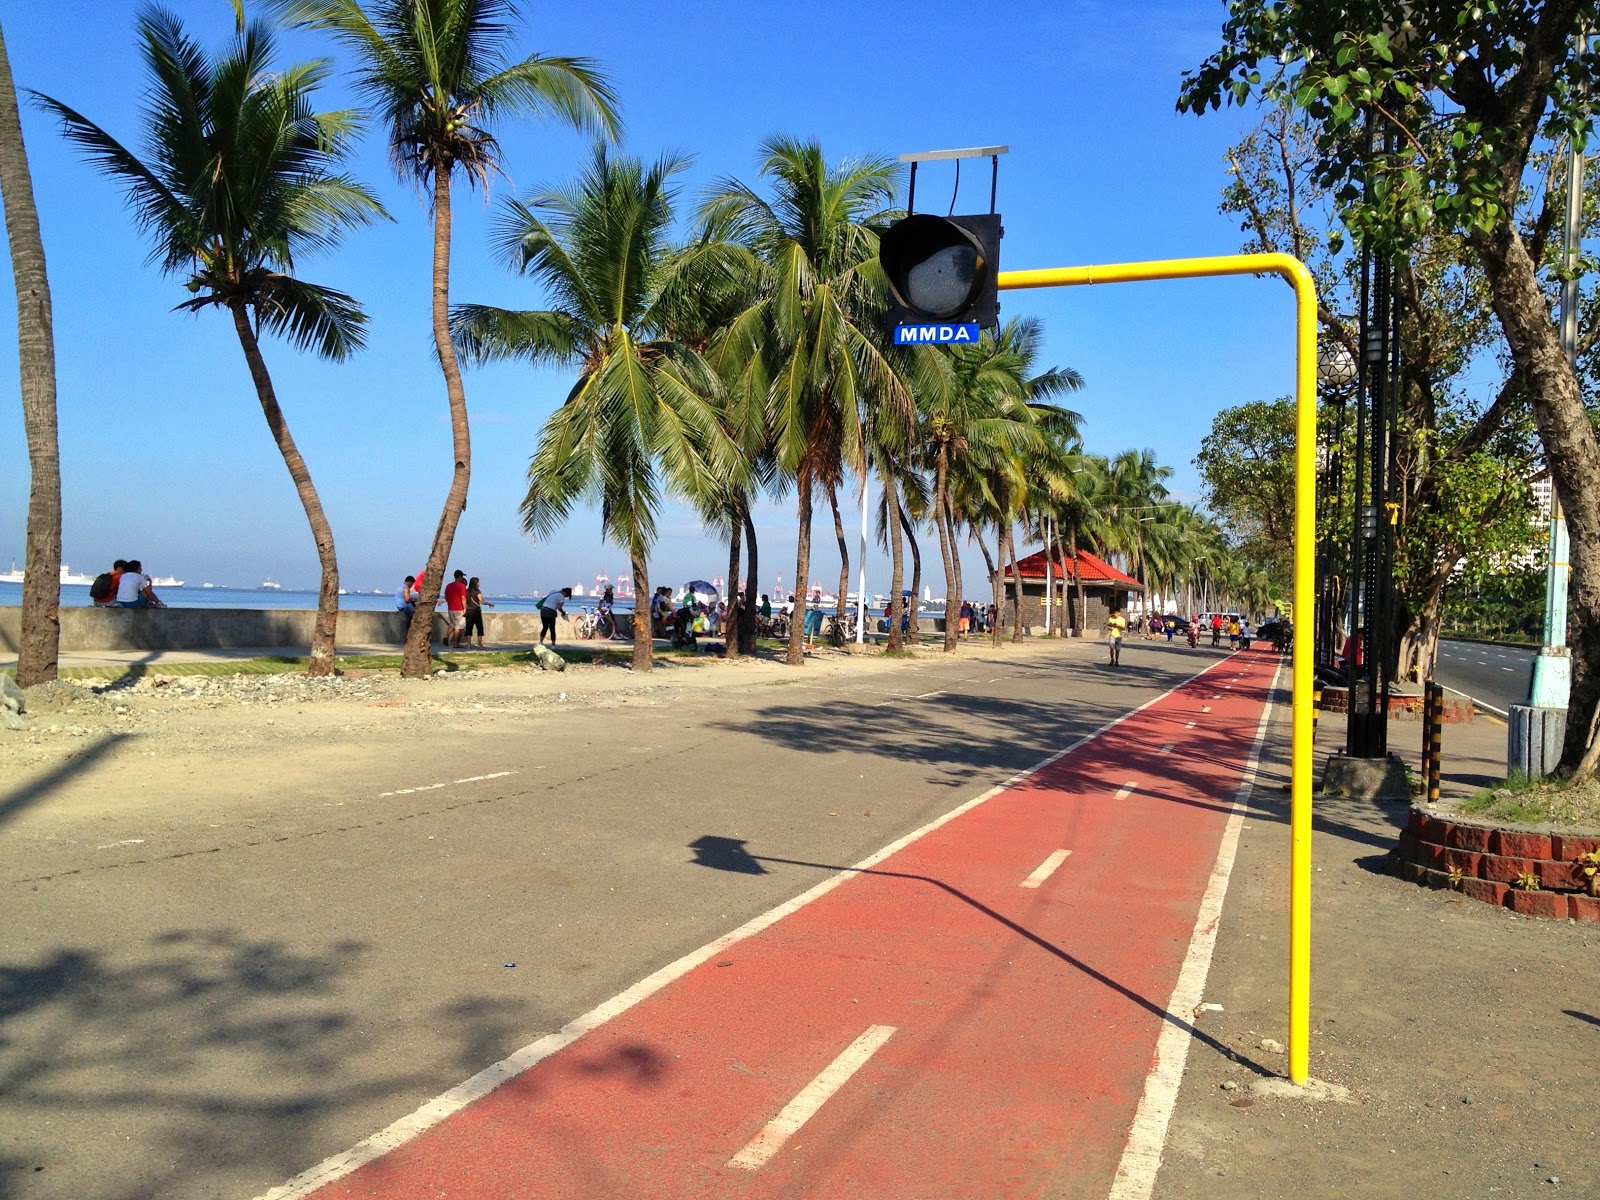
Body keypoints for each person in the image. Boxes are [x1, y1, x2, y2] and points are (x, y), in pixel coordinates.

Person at [464, 576, 493, 648]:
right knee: (479, 627)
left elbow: (464, 601)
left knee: (469, 628)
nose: (479, 584)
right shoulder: (477, 591)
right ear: (475, 583)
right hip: (476, 611)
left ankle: (469, 644)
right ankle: (479, 644)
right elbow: (482, 601)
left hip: (469, 611)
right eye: (478, 582)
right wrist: (488, 603)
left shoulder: (467, 591)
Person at [442, 570, 468, 648]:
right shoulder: (462, 586)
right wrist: (465, 608)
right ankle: (456, 643)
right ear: (459, 577)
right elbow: (463, 598)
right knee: (458, 627)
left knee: (452, 624)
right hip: (459, 609)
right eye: (462, 576)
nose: (462, 578)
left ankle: (446, 636)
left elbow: (446, 597)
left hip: (450, 608)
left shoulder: (448, 585)